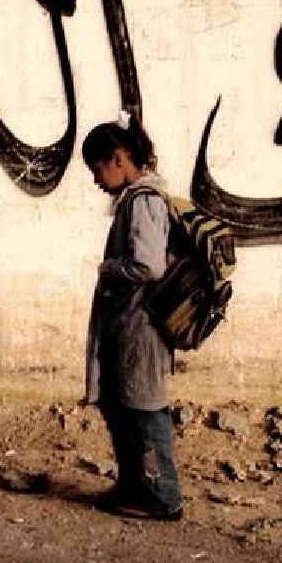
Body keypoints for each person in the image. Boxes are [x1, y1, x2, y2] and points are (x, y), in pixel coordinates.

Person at [80, 111, 183, 521]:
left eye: (97, 168)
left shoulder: (144, 202)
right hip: (128, 325)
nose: (96, 179)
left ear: (119, 159)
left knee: (144, 409)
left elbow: (148, 265)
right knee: (123, 406)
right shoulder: (134, 201)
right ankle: (133, 487)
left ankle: (164, 498)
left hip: (143, 327)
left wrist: (109, 269)